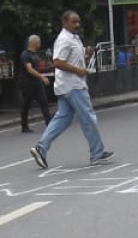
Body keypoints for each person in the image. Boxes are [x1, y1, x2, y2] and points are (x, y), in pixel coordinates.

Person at [29, 9, 110, 168]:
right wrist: (78, 71)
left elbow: (72, 58)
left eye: (78, 21)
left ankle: (41, 148)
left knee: (63, 119)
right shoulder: (64, 39)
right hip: (73, 85)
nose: (77, 24)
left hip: (67, 86)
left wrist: (86, 53)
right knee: (88, 118)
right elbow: (57, 61)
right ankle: (97, 153)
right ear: (65, 22)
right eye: (74, 22)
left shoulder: (74, 38)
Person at [17, 33, 55, 132]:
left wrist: (50, 65)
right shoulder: (26, 54)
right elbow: (29, 69)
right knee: (26, 104)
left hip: (36, 83)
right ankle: (24, 126)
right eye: (39, 42)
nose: (40, 44)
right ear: (35, 43)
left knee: (44, 102)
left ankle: (49, 123)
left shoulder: (35, 55)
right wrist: (42, 77)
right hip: (27, 83)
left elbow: (38, 68)